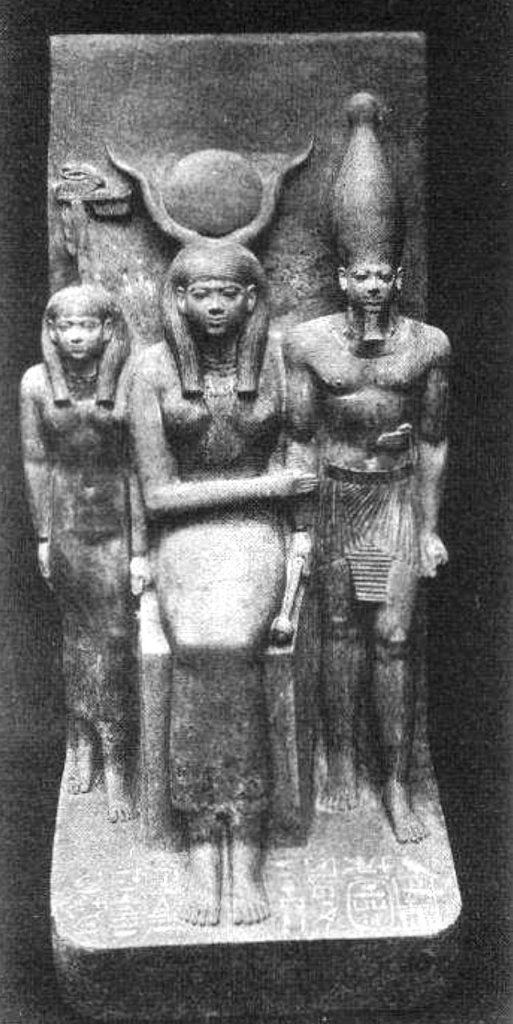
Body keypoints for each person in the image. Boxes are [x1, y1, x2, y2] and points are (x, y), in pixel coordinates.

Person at [129, 240, 316, 926]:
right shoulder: (152, 370)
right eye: (200, 293)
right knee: (200, 642)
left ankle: (247, 833)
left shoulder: (279, 360)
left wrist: (298, 529)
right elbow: (158, 497)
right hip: (185, 534)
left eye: (227, 293)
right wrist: (268, 485)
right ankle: (202, 835)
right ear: (178, 299)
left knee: (233, 640)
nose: (213, 305)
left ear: (251, 298)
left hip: (257, 533)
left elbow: (303, 457)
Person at [284, 93, 450, 844]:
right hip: (338, 501)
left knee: (391, 637)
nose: (374, 285)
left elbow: (435, 441)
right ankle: (341, 758)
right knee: (341, 632)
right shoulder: (310, 345)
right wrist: (298, 531)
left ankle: (398, 781)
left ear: (397, 276)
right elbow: (298, 439)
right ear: (342, 278)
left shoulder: (427, 347)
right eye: (361, 274)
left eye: (385, 273)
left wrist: (430, 529)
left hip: (390, 506)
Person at [20, 284, 148, 822]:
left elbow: (139, 467)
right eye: (67, 326)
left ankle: (118, 755)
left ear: (107, 330)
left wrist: (140, 549)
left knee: (116, 636)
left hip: (115, 523)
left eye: (87, 326)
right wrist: (44, 536)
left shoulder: (131, 377)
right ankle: (82, 737)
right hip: (68, 523)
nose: (76, 336)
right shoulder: (35, 384)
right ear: (52, 332)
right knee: (75, 636)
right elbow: (35, 461)